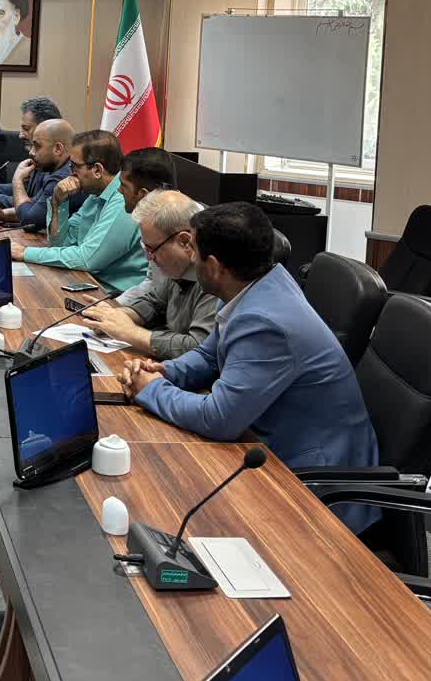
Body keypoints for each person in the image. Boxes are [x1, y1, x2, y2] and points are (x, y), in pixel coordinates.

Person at [114, 202, 379, 530]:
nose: (190, 258)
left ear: (214, 266)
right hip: (266, 440)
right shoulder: (254, 283)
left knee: (171, 503)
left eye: (194, 251)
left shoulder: (265, 322)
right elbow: (210, 354)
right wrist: (164, 372)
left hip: (313, 484)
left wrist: (152, 391)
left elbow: (218, 418)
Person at [79, 191, 221, 360]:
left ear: (184, 241)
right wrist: (118, 316)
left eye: (152, 249)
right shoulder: (178, 264)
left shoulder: (217, 273)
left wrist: (130, 332)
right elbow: (156, 302)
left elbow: (199, 348)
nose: (148, 257)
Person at [10, 129, 147, 291]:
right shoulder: (95, 194)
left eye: (75, 166)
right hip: (90, 282)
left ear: (97, 170)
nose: (71, 173)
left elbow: (87, 259)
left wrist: (25, 253)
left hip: (117, 296)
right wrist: (58, 201)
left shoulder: (123, 199)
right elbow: (60, 244)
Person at [0, 117, 76, 232]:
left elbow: (30, 222)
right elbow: (35, 208)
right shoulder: (56, 169)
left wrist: (18, 180)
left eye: (37, 146)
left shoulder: (63, 176)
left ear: (58, 149)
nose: (31, 152)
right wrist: (4, 214)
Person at [0, 95, 61, 214]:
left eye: (26, 128)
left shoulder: (55, 165)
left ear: (45, 127)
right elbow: (24, 190)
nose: (20, 135)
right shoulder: (40, 157)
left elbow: (36, 206)